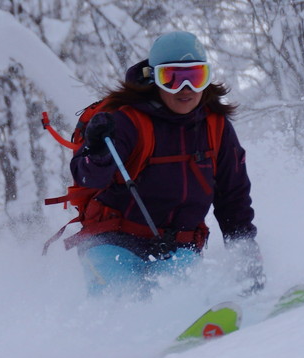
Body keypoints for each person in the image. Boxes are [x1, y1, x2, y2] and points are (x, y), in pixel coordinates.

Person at [68, 31, 265, 297]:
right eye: (171, 78)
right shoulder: (127, 122)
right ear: (153, 79)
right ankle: (116, 335)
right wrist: (99, 153)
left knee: (183, 302)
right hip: (113, 241)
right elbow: (88, 178)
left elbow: (233, 197)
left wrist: (246, 258)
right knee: (121, 301)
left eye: (195, 77)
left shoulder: (215, 127)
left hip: (177, 247)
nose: (185, 89)